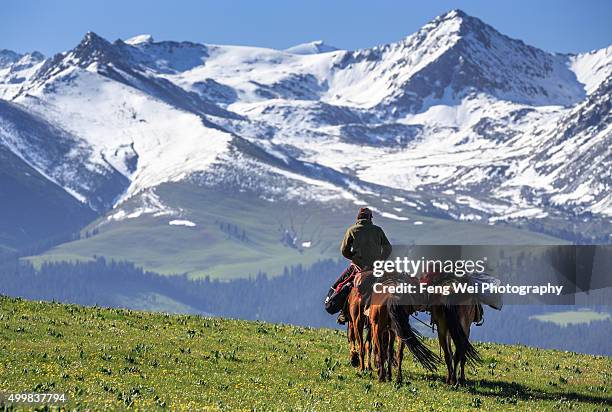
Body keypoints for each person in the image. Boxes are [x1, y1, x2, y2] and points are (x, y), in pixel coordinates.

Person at [334, 207, 392, 324]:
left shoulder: (352, 230)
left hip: (358, 267)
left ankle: (344, 312)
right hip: (376, 267)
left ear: (358, 218)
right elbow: (388, 248)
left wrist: (354, 257)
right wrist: (380, 260)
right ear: (370, 218)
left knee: (342, 286)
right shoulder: (378, 230)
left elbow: (344, 250)